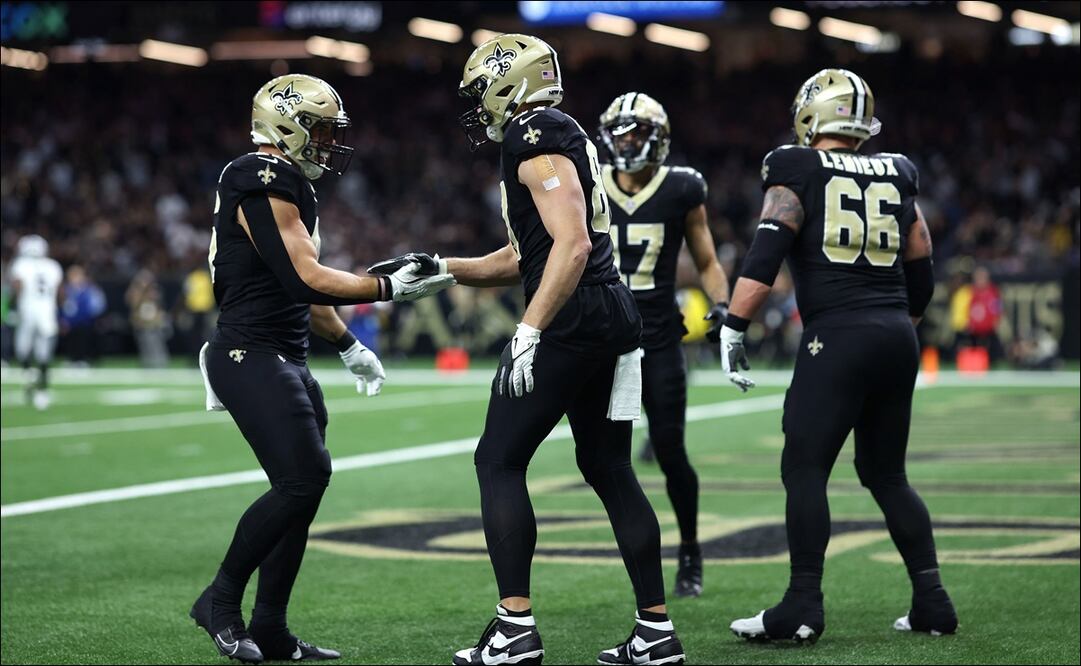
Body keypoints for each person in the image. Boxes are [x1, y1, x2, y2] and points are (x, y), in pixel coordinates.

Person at [374, 34, 685, 666]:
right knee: (610, 467)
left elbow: (571, 246)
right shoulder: (557, 134)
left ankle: (514, 629)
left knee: (499, 461)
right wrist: (445, 269)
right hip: (610, 310)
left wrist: (530, 329)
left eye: (482, 90)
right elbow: (526, 256)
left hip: (574, 314)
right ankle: (655, 632)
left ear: (508, 83)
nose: (478, 105)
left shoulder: (533, 133)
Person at [190, 73, 455, 664]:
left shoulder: (285, 184)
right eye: (321, 130)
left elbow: (302, 292)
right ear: (287, 126)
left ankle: (271, 627)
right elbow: (305, 278)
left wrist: (348, 345)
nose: (330, 142)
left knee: (302, 493)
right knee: (303, 479)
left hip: (284, 354)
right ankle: (220, 600)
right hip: (249, 352)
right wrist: (386, 287)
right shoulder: (261, 176)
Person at [722, 69, 958, 642]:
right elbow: (922, 259)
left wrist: (734, 327)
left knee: (804, 468)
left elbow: (766, 251)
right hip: (897, 335)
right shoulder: (897, 171)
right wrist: (897, 324)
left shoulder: (796, 167)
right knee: (887, 474)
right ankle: (932, 601)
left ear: (811, 115)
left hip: (837, 333)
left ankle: (802, 602)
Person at [598, 92, 730, 598]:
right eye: (620, 133)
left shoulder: (681, 187)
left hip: (657, 336)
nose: (627, 143)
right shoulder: (590, 181)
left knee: (671, 451)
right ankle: (635, 551)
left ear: (658, 138)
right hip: (602, 339)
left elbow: (707, 259)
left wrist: (722, 304)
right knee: (604, 456)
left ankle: (690, 550)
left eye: (637, 133)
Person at [9, 234, 63, 410]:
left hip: (27, 312)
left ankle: (29, 378)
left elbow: (18, 286)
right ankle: (43, 391)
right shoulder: (53, 266)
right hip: (47, 313)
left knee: (23, 351)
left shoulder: (20, 265)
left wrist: (12, 307)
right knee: (44, 355)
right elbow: (60, 292)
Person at [60, 265, 106, 366]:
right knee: (71, 341)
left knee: (83, 340)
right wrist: (63, 319)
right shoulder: (66, 290)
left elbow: (96, 305)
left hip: (85, 321)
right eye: (72, 276)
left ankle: (83, 359)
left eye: (77, 276)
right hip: (70, 322)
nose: (74, 279)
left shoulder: (89, 289)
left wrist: (92, 316)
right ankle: (72, 358)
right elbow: (63, 305)